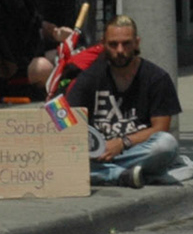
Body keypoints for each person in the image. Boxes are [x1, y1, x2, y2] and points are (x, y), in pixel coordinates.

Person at [66, 16, 181, 187]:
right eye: (113, 44)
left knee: (166, 144)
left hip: (137, 150)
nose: (120, 50)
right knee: (65, 155)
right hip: (98, 153)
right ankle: (123, 174)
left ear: (137, 43)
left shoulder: (157, 78)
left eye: (126, 44)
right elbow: (66, 119)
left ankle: (108, 173)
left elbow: (160, 128)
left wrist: (122, 143)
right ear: (103, 44)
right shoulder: (90, 77)